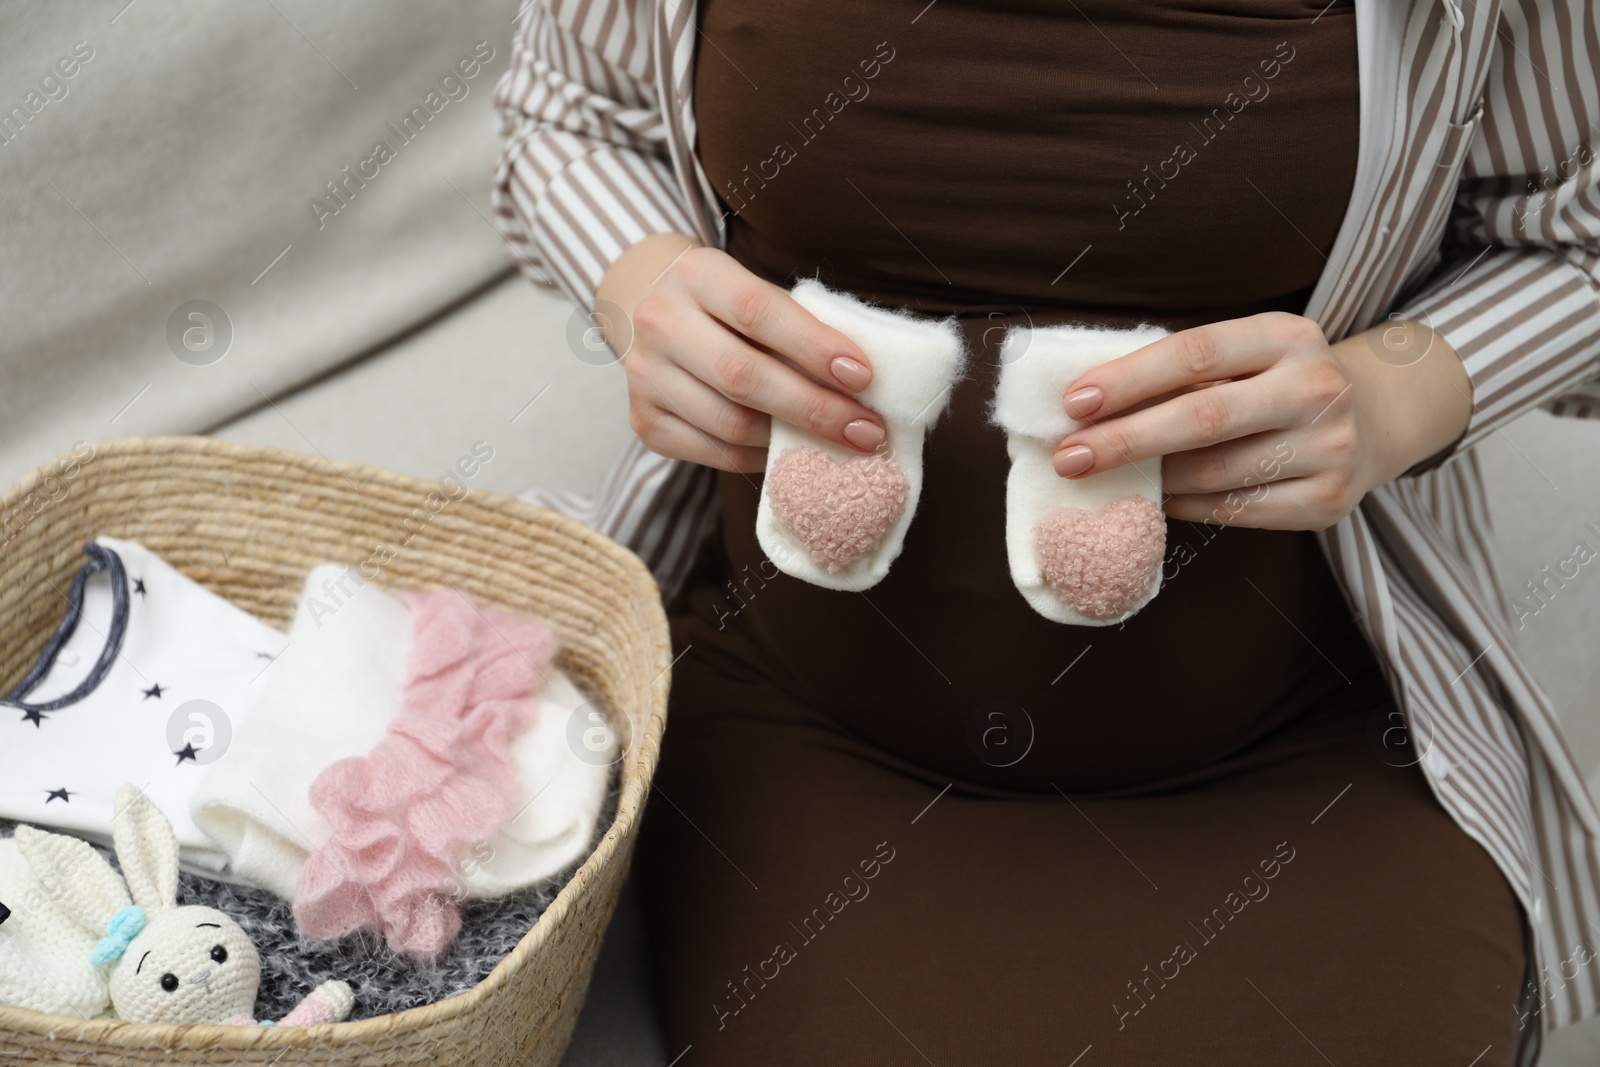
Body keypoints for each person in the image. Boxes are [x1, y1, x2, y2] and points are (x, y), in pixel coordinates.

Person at [493, 1, 1600, 1062]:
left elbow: (1575, 231)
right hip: (807, 725)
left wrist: (1391, 394)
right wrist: (640, 286)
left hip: (1313, 728)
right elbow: (567, 111)